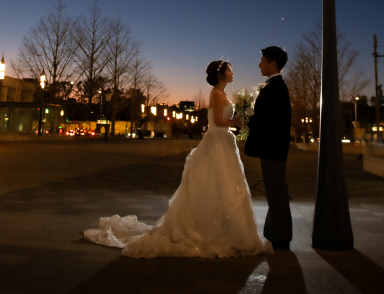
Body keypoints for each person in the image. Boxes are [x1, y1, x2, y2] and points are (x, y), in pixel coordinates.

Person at [84, 60, 270, 258]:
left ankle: (226, 226)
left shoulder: (222, 94)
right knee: (215, 181)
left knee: (225, 182)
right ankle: (211, 227)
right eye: (230, 70)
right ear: (221, 74)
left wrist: (240, 118)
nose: (233, 73)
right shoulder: (216, 93)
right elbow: (217, 121)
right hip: (216, 140)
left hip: (224, 141)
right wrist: (235, 120)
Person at [244, 46, 292, 250]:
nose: (259, 64)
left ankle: (280, 237)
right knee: (274, 190)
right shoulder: (274, 86)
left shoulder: (276, 87)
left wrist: (247, 119)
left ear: (273, 63)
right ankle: (273, 233)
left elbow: (269, 120)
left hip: (273, 148)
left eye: (262, 60)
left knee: (276, 191)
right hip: (273, 148)